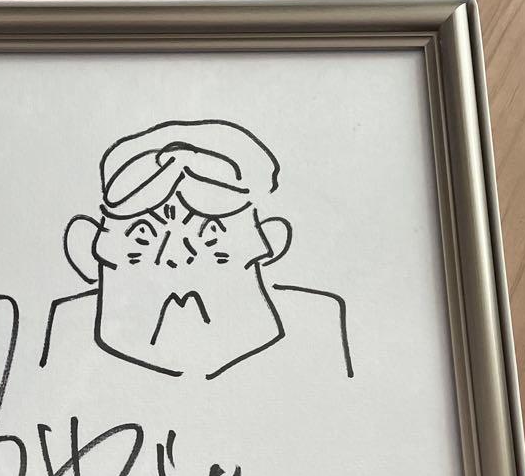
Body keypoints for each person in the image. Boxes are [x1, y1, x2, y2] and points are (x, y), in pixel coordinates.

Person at [39, 119, 353, 382]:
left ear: (269, 242)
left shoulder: (319, 329)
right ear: (88, 250)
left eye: (211, 239)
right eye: (142, 239)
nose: (173, 258)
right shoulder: (67, 334)